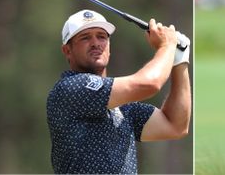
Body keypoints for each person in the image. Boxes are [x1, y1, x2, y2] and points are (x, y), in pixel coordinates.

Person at [46, 9, 191, 174]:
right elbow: (150, 84)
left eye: (101, 36)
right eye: (85, 38)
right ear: (67, 51)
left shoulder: (123, 108)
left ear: (109, 46)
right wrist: (167, 46)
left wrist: (179, 62)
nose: (95, 43)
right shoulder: (69, 88)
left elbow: (175, 126)